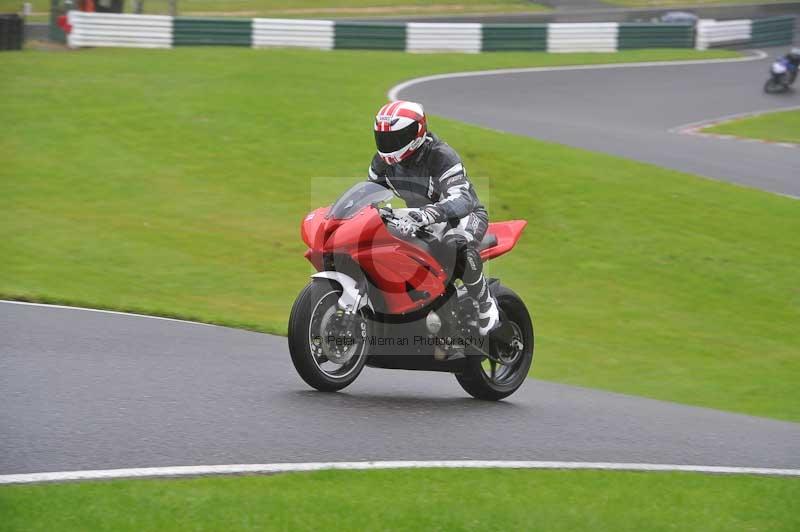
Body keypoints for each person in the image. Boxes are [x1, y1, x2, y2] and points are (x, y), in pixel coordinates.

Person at [368, 100, 499, 335]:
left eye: (396, 138)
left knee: (456, 244)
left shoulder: (441, 156)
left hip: (463, 216)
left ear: (416, 134)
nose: (388, 145)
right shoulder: (382, 163)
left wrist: (428, 214)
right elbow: (370, 196)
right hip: (422, 218)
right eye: (384, 138)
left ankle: (485, 303)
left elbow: (462, 199)